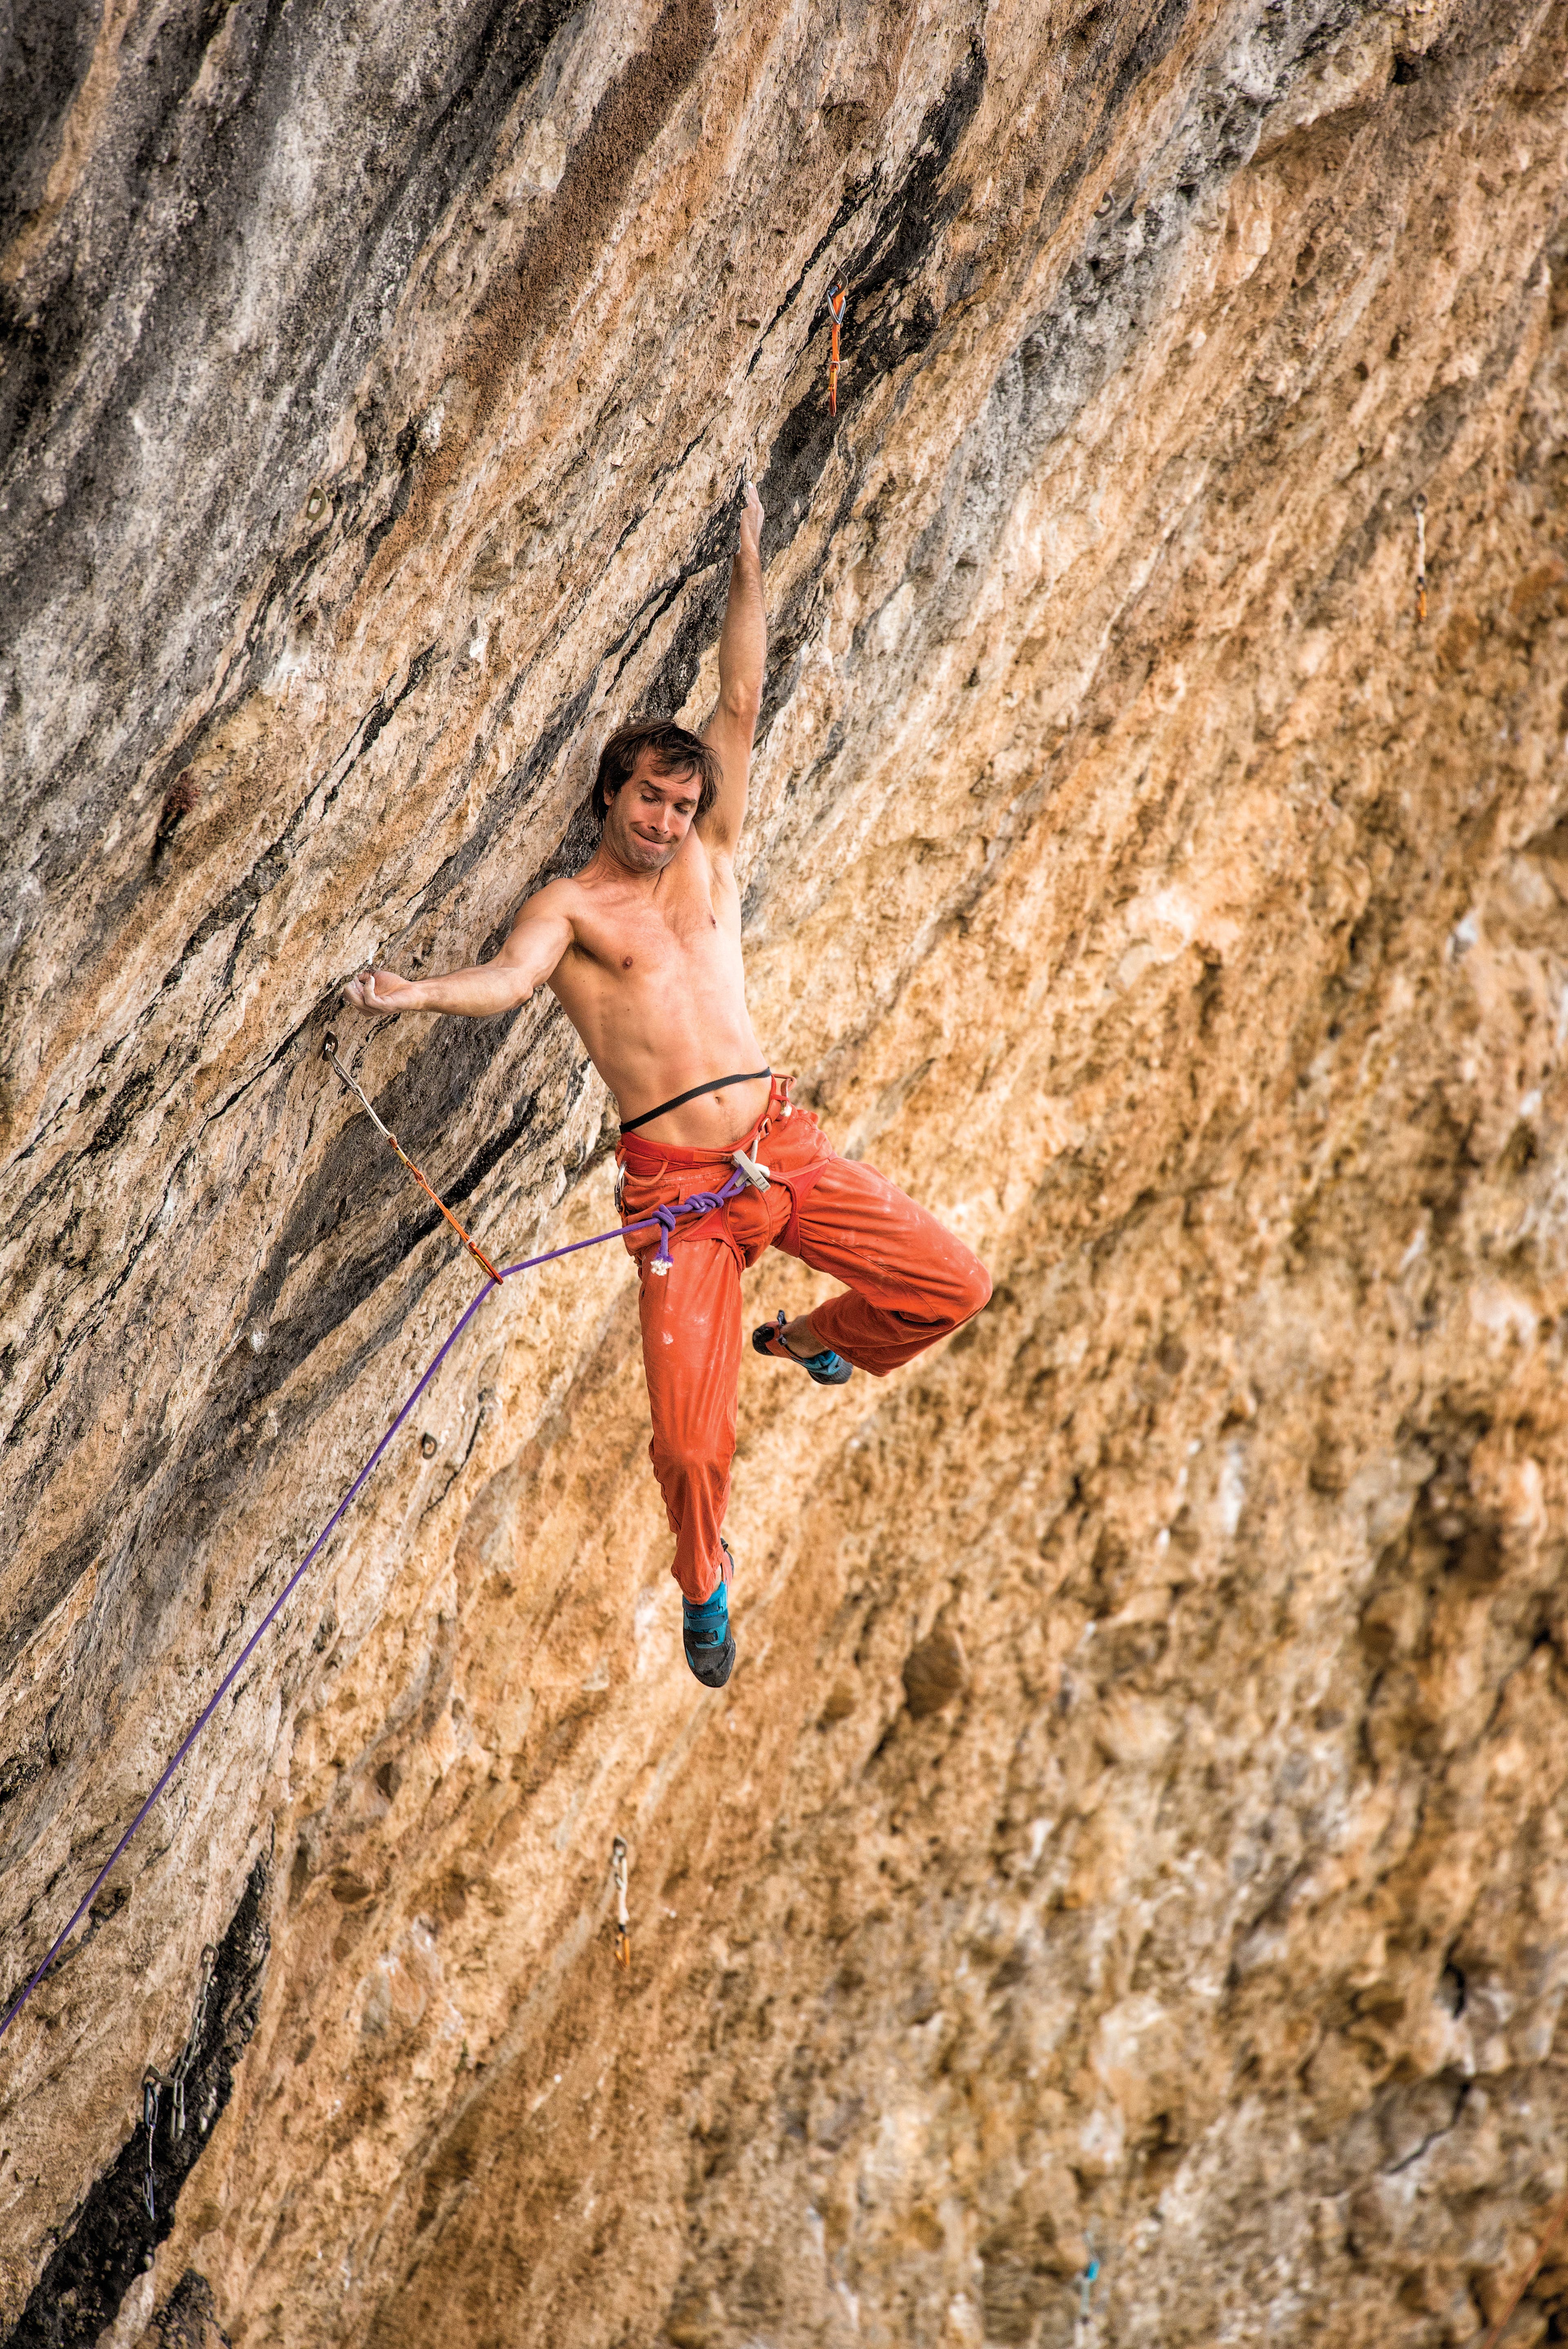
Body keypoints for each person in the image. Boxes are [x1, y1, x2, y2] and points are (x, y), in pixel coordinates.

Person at [344, 485, 990, 1688]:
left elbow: (741, 699)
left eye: (682, 803)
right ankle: (706, 1578)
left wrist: (748, 554)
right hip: (682, 1197)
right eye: (648, 797)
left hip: (779, 1149)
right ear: (609, 795)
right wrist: (416, 994)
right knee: (691, 1448)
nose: (666, 818)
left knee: (954, 1287)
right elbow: (507, 978)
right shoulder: (573, 910)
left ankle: (813, 1340)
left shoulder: (714, 862)